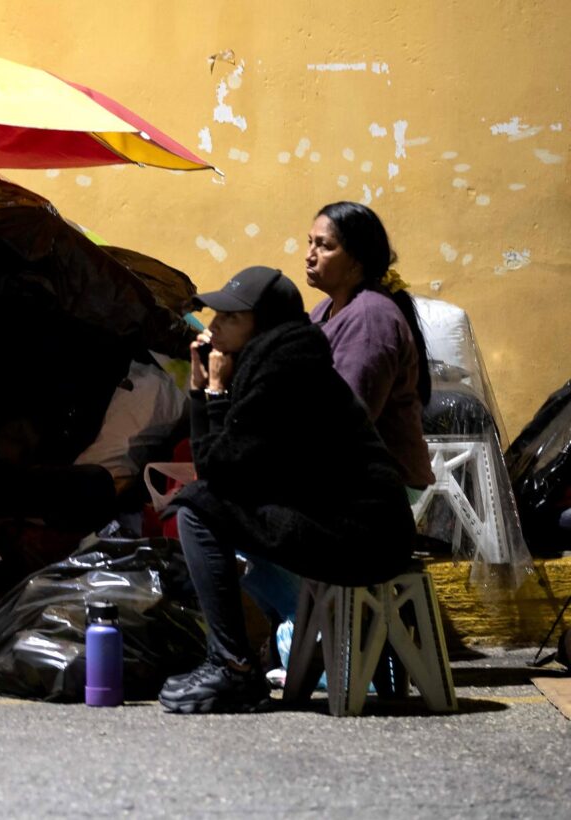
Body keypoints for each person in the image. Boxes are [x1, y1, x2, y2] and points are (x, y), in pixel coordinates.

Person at [160, 266, 416, 714]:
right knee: (206, 506)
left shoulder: (284, 372)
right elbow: (221, 470)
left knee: (197, 509)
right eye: (215, 315)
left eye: (230, 318)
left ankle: (233, 666)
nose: (213, 327)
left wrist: (212, 393)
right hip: (341, 522)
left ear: (264, 324)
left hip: (363, 534)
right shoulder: (272, 362)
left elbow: (218, 473)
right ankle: (238, 662)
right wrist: (203, 394)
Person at [306, 202, 434, 489]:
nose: (310, 255)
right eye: (310, 242)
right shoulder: (325, 309)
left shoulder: (370, 320)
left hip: (381, 486)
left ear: (356, 260)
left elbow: (347, 422)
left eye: (324, 246)